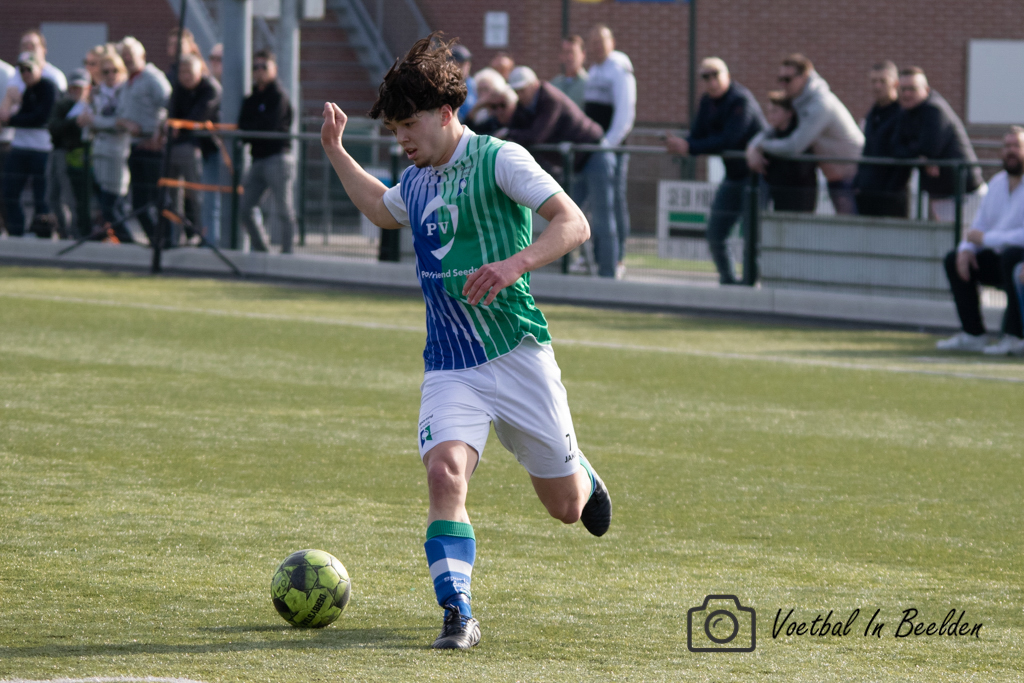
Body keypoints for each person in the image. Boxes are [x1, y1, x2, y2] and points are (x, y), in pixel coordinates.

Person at [320, 33, 612, 650]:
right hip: (451, 366)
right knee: (444, 474)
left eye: (409, 124)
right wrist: (336, 152)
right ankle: (458, 613)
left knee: (565, 508)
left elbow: (574, 223)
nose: (401, 138)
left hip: (518, 353)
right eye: (394, 128)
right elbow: (382, 209)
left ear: (447, 113)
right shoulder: (416, 181)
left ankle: (581, 470)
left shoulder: (501, 159)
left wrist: (515, 264)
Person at [664, 57, 765, 284]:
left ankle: (750, 286)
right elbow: (697, 135)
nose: (711, 81)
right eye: (705, 76)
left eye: (715, 74)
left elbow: (730, 139)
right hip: (734, 177)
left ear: (727, 75)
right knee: (715, 233)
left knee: (752, 237)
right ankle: (729, 283)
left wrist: (690, 147)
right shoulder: (707, 102)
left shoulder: (740, 100)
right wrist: (682, 144)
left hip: (757, 178)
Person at [935, 127, 1024, 356]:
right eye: (1007, 146)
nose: (1011, 151)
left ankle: (1014, 336)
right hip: (998, 258)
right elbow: (978, 225)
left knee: (1011, 257)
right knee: (953, 259)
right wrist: (966, 249)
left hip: (1017, 260)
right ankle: (973, 334)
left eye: (1017, 146)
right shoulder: (996, 184)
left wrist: (987, 239)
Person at [746, 54, 863, 215]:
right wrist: (753, 146)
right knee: (847, 225)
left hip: (852, 176)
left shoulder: (820, 104)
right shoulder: (799, 100)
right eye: (780, 79)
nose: (783, 84)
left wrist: (760, 146)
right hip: (836, 177)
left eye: (787, 79)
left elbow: (794, 146)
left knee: (855, 227)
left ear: (804, 76)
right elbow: (774, 127)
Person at [891, 66, 985, 224]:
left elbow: (929, 148)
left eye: (912, 89)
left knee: (964, 238)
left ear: (926, 89)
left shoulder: (934, 109)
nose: (906, 94)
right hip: (941, 195)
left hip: (966, 194)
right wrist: (921, 159)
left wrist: (920, 154)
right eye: (903, 89)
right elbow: (895, 147)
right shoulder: (905, 111)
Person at [584, 25, 635, 279]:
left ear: (612, 42)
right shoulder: (593, 70)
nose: (597, 46)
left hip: (610, 150)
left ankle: (617, 258)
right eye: (592, 41)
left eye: (601, 41)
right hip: (594, 149)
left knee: (613, 203)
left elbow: (625, 113)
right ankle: (597, 257)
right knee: (597, 205)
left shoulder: (618, 67)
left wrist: (608, 145)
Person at [237, 50, 297, 253]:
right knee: (245, 208)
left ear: (274, 69)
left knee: (284, 209)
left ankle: (288, 254)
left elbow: (269, 126)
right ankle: (263, 251)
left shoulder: (278, 96)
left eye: (264, 66)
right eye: (255, 67)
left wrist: (253, 129)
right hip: (258, 159)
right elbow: (243, 128)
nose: (259, 71)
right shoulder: (251, 98)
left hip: (277, 158)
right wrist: (254, 129)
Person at [118, 36, 172, 245]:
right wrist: (125, 122)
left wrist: (159, 132)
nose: (127, 59)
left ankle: (168, 240)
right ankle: (155, 240)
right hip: (135, 145)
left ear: (141, 54)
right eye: (124, 56)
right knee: (139, 203)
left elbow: (169, 104)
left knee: (159, 199)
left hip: (152, 146)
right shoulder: (128, 81)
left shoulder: (152, 77)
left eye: (130, 55)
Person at [0, 52, 58, 237]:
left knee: (41, 196)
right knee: (10, 192)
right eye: (22, 70)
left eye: (29, 70)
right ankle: (17, 231)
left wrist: (12, 119)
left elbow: (40, 117)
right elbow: (11, 116)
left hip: (41, 149)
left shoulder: (47, 87)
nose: (25, 74)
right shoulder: (23, 90)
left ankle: (43, 233)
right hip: (20, 146)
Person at [167, 53, 221, 244]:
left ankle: (205, 237)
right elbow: (171, 114)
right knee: (173, 197)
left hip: (206, 151)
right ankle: (176, 237)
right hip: (179, 147)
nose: (185, 76)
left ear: (200, 71)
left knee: (200, 197)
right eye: (182, 72)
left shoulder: (210, 89)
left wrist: (178, 127)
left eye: (189, 72)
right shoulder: (178, 89)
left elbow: (197, 117)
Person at [80, 51, 133, 242]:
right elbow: (88, 119)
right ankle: (122, 242)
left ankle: (129, 243)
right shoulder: (96, 92)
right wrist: (93, 122)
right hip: (99, 150)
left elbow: (120, 122)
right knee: (104, 204)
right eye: (106, 71)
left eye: (115, 70)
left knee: (112, 205)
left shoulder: (126, 91)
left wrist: (95, 121)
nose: (111, 75)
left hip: (117, 152)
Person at [854, 61, 909, 217]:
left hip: (891, 196)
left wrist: (891, 190)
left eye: (882, 81)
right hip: (867, 193)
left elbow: (902, 156)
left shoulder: (902, 114)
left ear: (895, 83)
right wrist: (858, 182)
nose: (877, 86)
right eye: (873, 81)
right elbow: (867, 150)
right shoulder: (872, 114)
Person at [47, 68, 92, 238]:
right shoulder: (62, 105)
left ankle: (77, 231)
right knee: (53, 195)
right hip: (61, 152)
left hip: (81, 156)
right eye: (73, 88)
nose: (76, 91)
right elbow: (54, 127)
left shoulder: (91, 105)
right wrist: (74, 122)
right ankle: (64, 229)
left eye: (80, 88)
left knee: (74, 197)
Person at [760, 91, 818, 213]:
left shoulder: (800, 137)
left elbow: (802, 170)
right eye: (769, 111)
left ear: (789, 113)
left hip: (800, 198)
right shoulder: (771, 135)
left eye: (775, 111)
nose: (770, 116)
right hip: (779, 197)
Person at [550, 35, 588, 109]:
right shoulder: (555, 84)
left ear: (583, 54)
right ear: (561, 56)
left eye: (573, 53)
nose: (569, 57)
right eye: (566, 52)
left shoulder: (589, 84)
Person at [451, 45, 475, 123]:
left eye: (467, 64)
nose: (465, 67)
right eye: (460, 64)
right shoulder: (445, 86)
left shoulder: (474, 84)